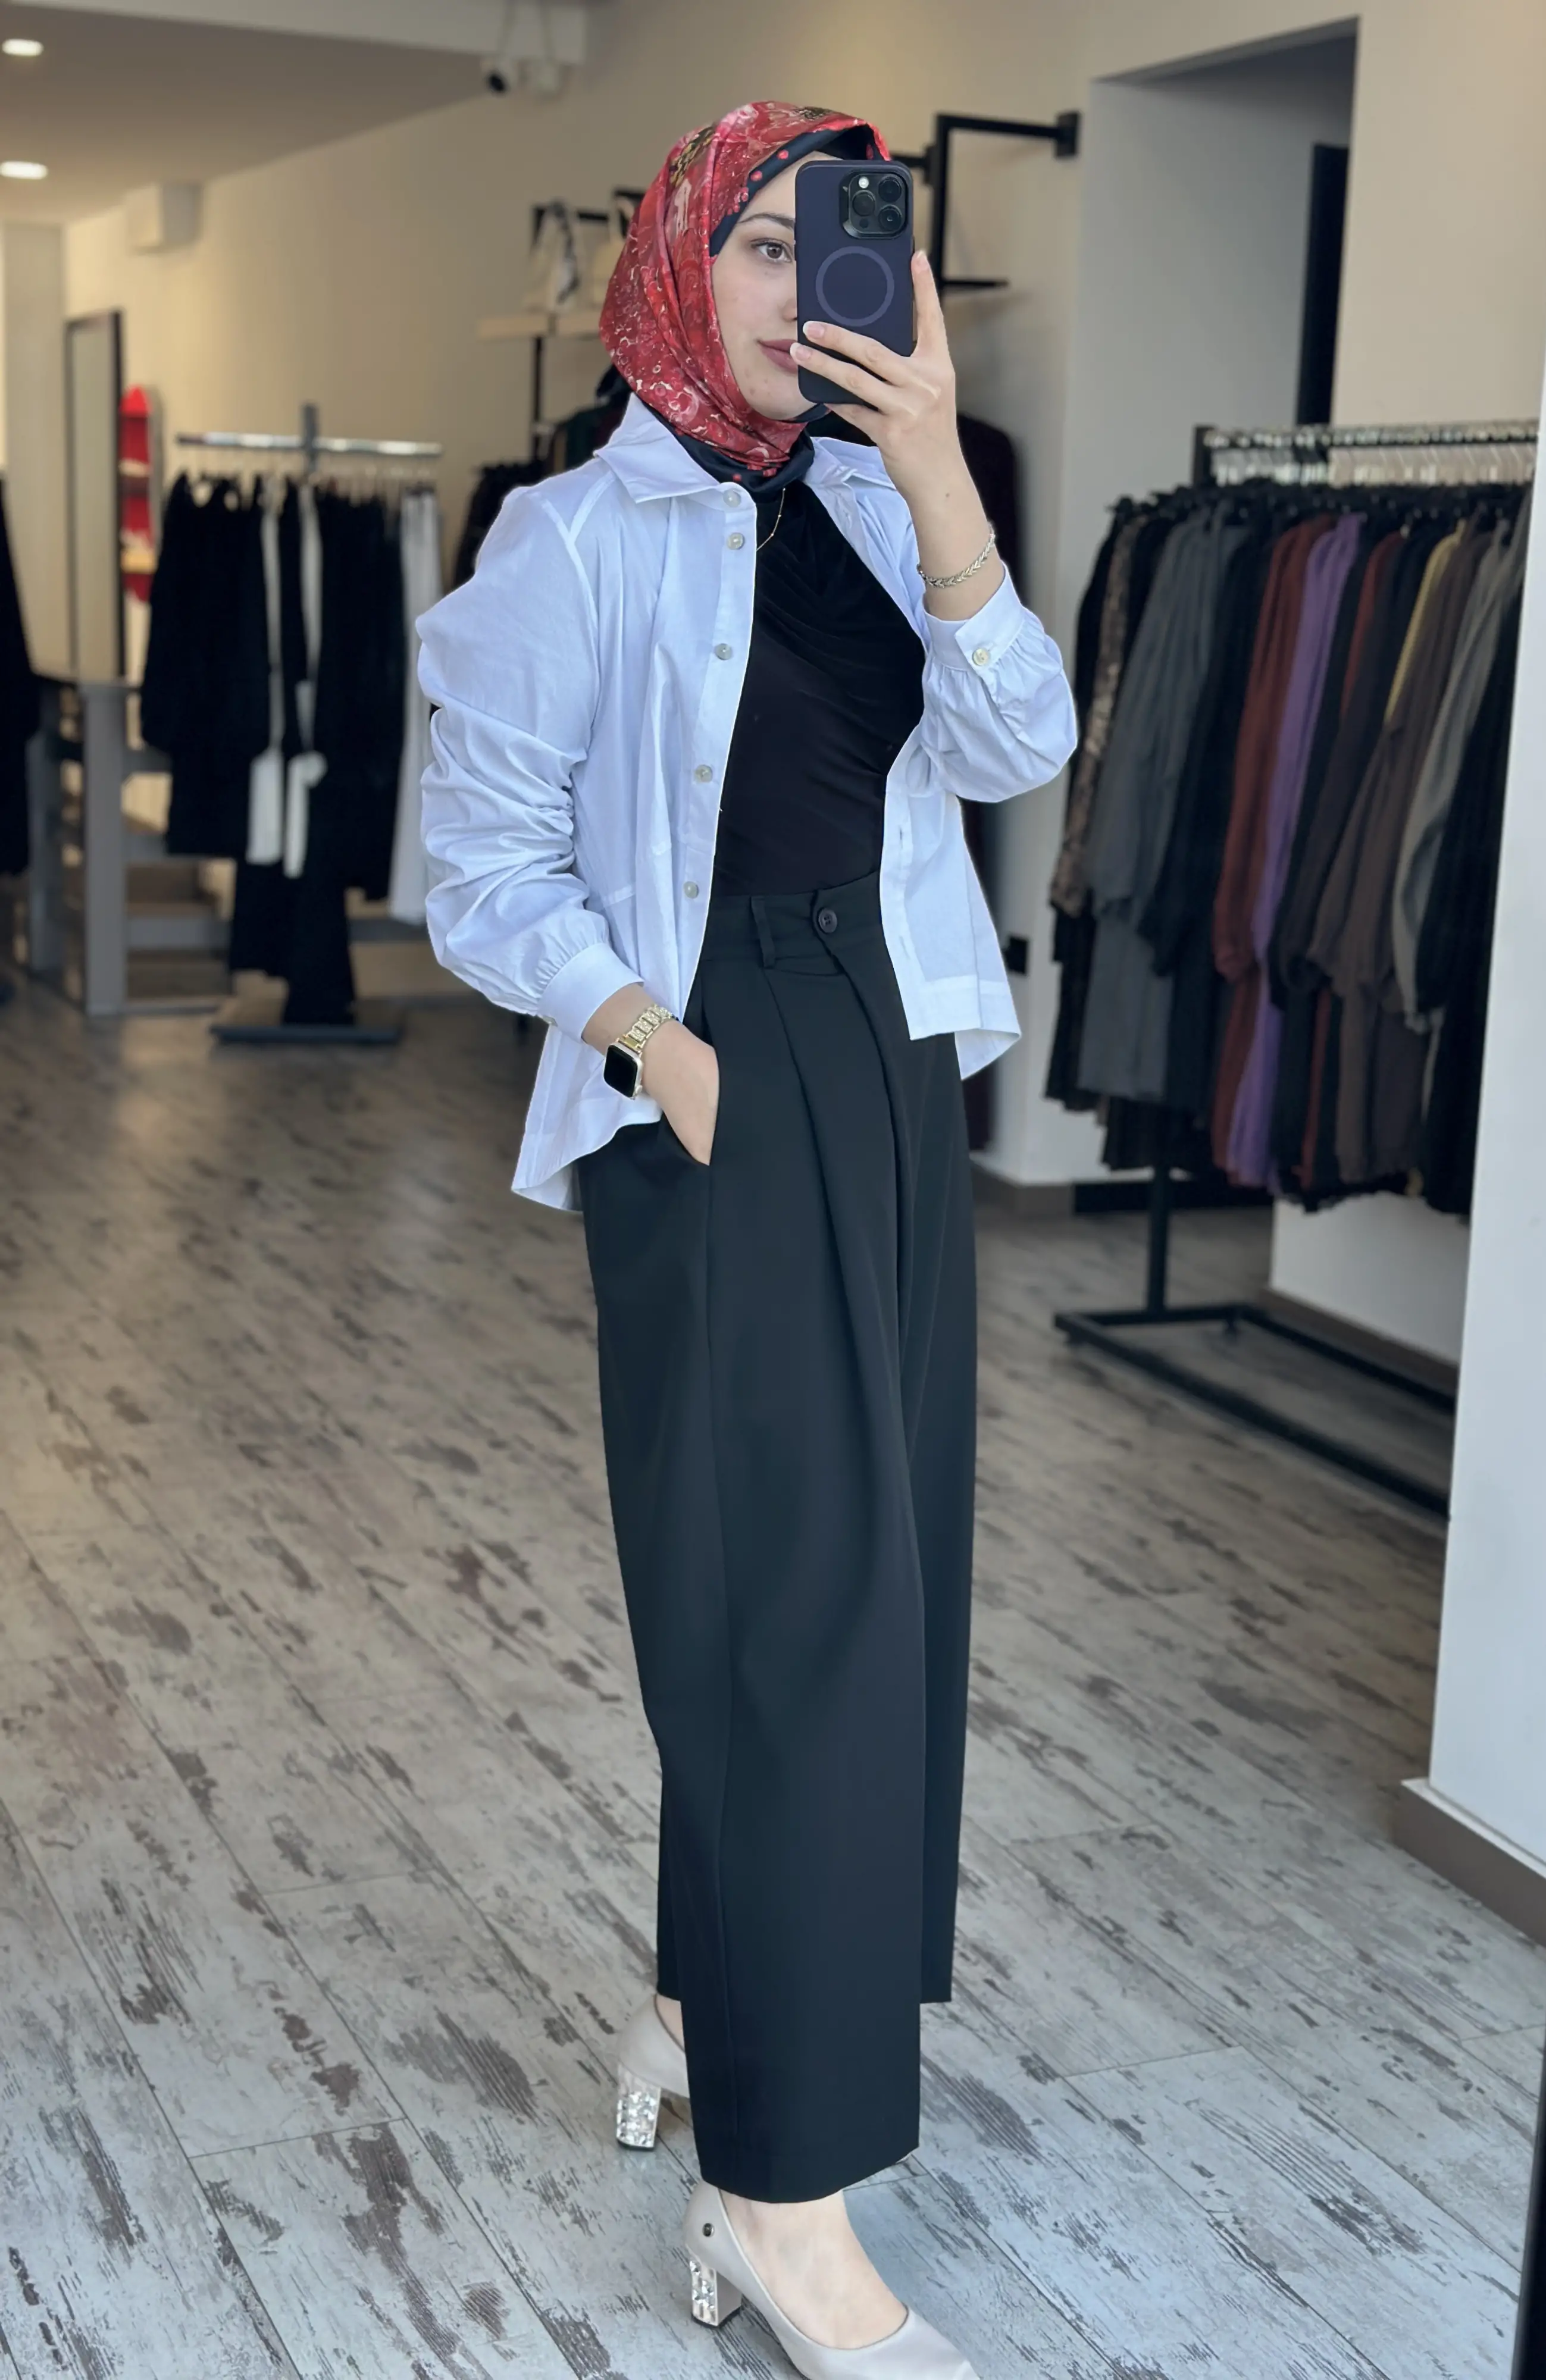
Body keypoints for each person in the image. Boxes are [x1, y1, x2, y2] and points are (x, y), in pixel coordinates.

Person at [415, 99, 1076, 2380]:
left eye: (847, 243)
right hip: (711, 1078)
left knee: (878, 1585)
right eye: (766, 244)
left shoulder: (886, 501)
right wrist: (655, 1043)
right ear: (682, 262)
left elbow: (1017, 752)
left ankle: (707, 2017)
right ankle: (782, 2207)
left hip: (887, 1063)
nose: (808, 289)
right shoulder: (572, 536)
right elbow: (479, 867)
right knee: (786, 1611)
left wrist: (949, 479)